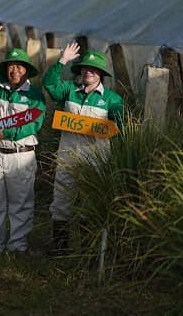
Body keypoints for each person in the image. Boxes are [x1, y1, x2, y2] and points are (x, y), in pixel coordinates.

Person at [43, 42, 124, 255]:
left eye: (94, 69)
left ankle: (88, 253)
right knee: (62, 200)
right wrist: (62, 60)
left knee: (90, 203)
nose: (89, 71)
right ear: (80, 71)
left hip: (96, 160)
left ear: (101, 74)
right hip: (67, 156)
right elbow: (49, 84)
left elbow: (121, 130)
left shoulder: (112, 100)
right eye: (86, 68)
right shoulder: (69, 90)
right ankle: (60, 250)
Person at [0, 15, 46, 253]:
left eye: (19, 66)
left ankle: (17, 248)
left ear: (27, 71)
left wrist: (4, 130)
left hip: (22, 155)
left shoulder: (34, 96)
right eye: (10, 66)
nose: (14, 70)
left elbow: (32, 125)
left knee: (20, 205)